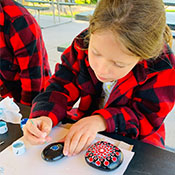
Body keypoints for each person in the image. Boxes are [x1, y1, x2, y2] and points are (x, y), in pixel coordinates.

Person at [24, 0, 175, 156]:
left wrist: (102, 121)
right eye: (95, 53)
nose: (101, 70)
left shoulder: (163, 66)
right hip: (88, 123)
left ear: (143, 58)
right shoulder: (83, 42)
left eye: (118, 64)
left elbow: (145, 118)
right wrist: (45, 115)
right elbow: (61, 85)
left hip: (139, 138)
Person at [0, 0, 51, 106]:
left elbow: (32, 77)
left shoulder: (19, 20)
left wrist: (24, 114)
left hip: (33, 97)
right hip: (5, 98)